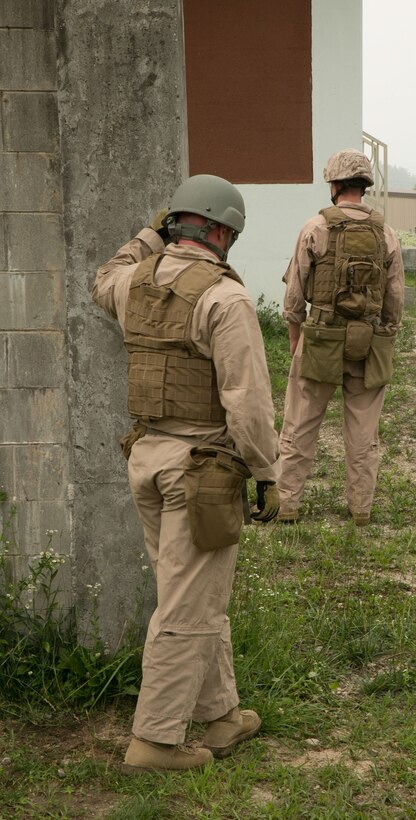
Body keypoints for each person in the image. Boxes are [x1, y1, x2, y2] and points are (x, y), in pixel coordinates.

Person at [92, 174, 280, 774]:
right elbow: (247, 401)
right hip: (201, 469)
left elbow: (102, 277)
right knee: (187, 608)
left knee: (192, 593)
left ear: (174, 223)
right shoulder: (225, 299)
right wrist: (266, 473)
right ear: (222, 231)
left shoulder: (131, 281)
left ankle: (220, 713)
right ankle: (155, 741)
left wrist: (148, 234)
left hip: (146, 459)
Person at [276, 149, 405, 526]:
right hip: (369, 341)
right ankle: (360, 509)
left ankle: (288, 505)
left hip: (320, 337)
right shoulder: (387, 232)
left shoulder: (315, 227)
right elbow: (395, 298)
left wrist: (295, 338)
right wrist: (386, 336)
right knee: (364, 432)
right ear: (363, 185)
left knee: (300, 424)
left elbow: (295, 295)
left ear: (334, 185)